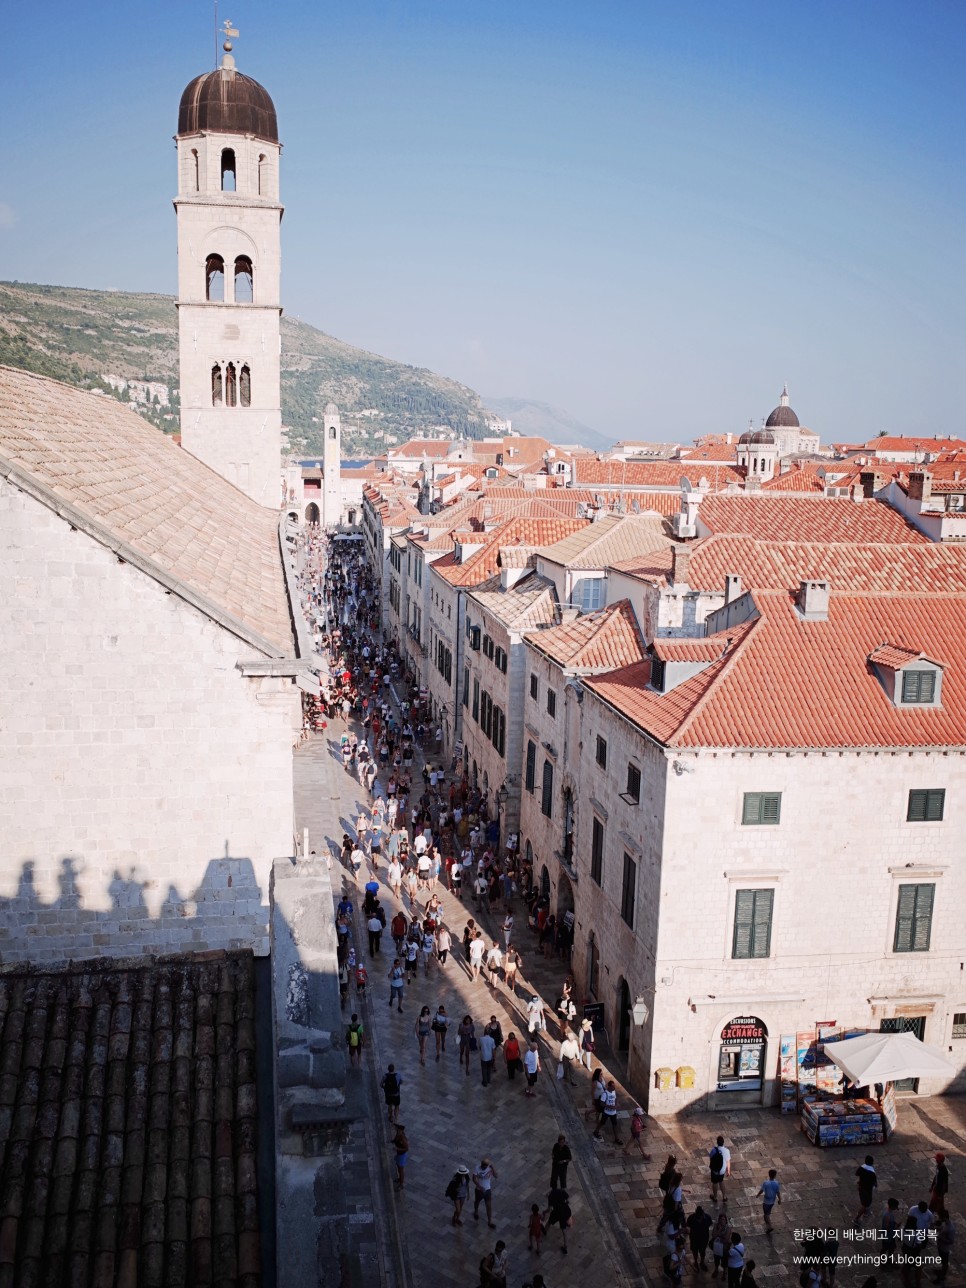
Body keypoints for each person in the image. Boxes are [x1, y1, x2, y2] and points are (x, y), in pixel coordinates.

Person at [544, 1184, 572, 1254]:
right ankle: (565, 1246)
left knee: (549, 1222)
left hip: (557, 1213)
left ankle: (544, 1231)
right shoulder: (562, 1191)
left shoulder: (551, 1196)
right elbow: (568, 1201)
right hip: (566, 1211)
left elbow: (549, 1209)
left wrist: (544, 1212)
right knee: (564, 1229)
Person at [687, 1204, 714, 1271]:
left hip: (703, 1238)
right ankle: (695, 1261)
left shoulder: (707, 1217)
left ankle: (702, 1261)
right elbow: (688, 1226)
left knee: (702, 1251)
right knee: (694, 1250)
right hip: (694, 1238)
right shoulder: (691, 1218)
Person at [473, 1158, 498, 1227]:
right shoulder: (477, 1168)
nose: (484, 1167)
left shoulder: (489, 1169)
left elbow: (496, 1176)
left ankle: (490, 1221)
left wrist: (493, 1168)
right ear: (481, 1164)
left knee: (489, 1206)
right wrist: (479, 1186)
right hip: (479, 1190)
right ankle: (476, 1211)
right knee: (477, 1202)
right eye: (483, 1165)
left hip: (488, 1190)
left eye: (485, 1166)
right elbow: (474, 1178)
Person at [595, 1079, 622, 1144]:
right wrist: (610, 1106)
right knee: (602, 1123)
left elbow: (615, 1098)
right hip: (606, 1112)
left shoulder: (614, 1091)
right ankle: (596, 1131)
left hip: (613, 1113)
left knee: (615, 1125)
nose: (614, 1087)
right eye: (613, 1086)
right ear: (609, 1086)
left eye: (614, 1086)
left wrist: (616, 1104)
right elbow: (602, 1103)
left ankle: (617, 1138)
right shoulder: (605, 1094)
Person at [757, 1168, 781, 1233]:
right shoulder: (776, 1183)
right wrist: (779, 1200)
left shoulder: (766, 1183)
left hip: (766, 1201)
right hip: (772, 1201)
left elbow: (762, 1190)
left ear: (769, 1175)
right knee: (767, 1213)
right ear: (775, 1175)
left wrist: (758, 1195)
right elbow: (778, 1192)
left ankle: (769, 1226)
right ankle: (768, 1226)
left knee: (766, 1215)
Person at [855, 1156, 878, 1225]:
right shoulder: (872, 1172)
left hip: (861, 1187)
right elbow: (875, 1183)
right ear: (872, 1163)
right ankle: (857, 1218)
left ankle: (865, 1210)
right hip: (867, 1190)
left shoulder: (861, 1167)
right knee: (865, 1204)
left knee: (864, 1201)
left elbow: (857, 1174)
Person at [709, 1135, 731, 1203]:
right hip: (722, 1170)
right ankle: (724, 1197)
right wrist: (728, 1171)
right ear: (723, 1142)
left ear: (717, 1142)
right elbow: (728, 1162)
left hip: (715, 1170)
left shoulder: (714, 1150)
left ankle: (715, 1197)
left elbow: (710, 1157)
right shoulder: (727, 1151)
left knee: (715, 1183)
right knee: (721, 1181)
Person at [710, 1211, 731, 1279]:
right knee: (716, 1259)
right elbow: (713, 1235)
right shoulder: (716, 1225)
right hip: (717, 1247)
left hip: (724, 1248)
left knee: (724, 1261)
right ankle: (716, 1270)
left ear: (726, 1220)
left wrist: (718, 1238)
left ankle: (725, 1272)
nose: (722, 1221)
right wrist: (719, 1230)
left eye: (724, 1219)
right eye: (721, 1219)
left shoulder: (728, 1228)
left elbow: (726, 1240)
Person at [392, 1123, 409, 1188]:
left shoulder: (403, 1139)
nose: (397, 1131)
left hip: (402, 1155)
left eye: (398, 1130)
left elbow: (406, 1148)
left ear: (401, 1131)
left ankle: (401, 1184)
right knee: (398, 1168)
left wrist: (397, 1148)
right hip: (399, 1154)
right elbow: (395, 1140)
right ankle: (399, 1179)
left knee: (401, 1170)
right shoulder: (398, 1135)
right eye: (397, 1130)